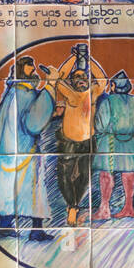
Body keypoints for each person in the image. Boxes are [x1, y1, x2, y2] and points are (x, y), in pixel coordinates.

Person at [0, 56, 57, 241]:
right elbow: (33, 123)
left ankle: (5, 227)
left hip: (6, 152)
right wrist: (49, 87)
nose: (34, 69)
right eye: (29, 66)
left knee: (7, 187)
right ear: (20, 69)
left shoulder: (12, 92)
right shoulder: (24, 93)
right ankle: (36, 230)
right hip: (25, 151)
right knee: (33, 189)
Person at [51, 44, 105, 227]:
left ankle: (74, 205)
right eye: (77, 77)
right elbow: (58, 78)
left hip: (88, 142)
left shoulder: (93, 93)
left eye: (84, 76)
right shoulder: (69, 93)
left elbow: (103, 79)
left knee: (83, 177)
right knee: (65, 177)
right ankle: (72, 206)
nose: (81, 79)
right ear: (72, 81)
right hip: (67, 142)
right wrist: (74, 57)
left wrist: (89, 59)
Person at [93, 70, 134, 221]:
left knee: (106, 174)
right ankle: (129, 207)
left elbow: (100, 125)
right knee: (128, 174)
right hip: (129, 141)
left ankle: (105, 209)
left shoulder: (108, 101)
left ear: (113, 86)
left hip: (110, 141)